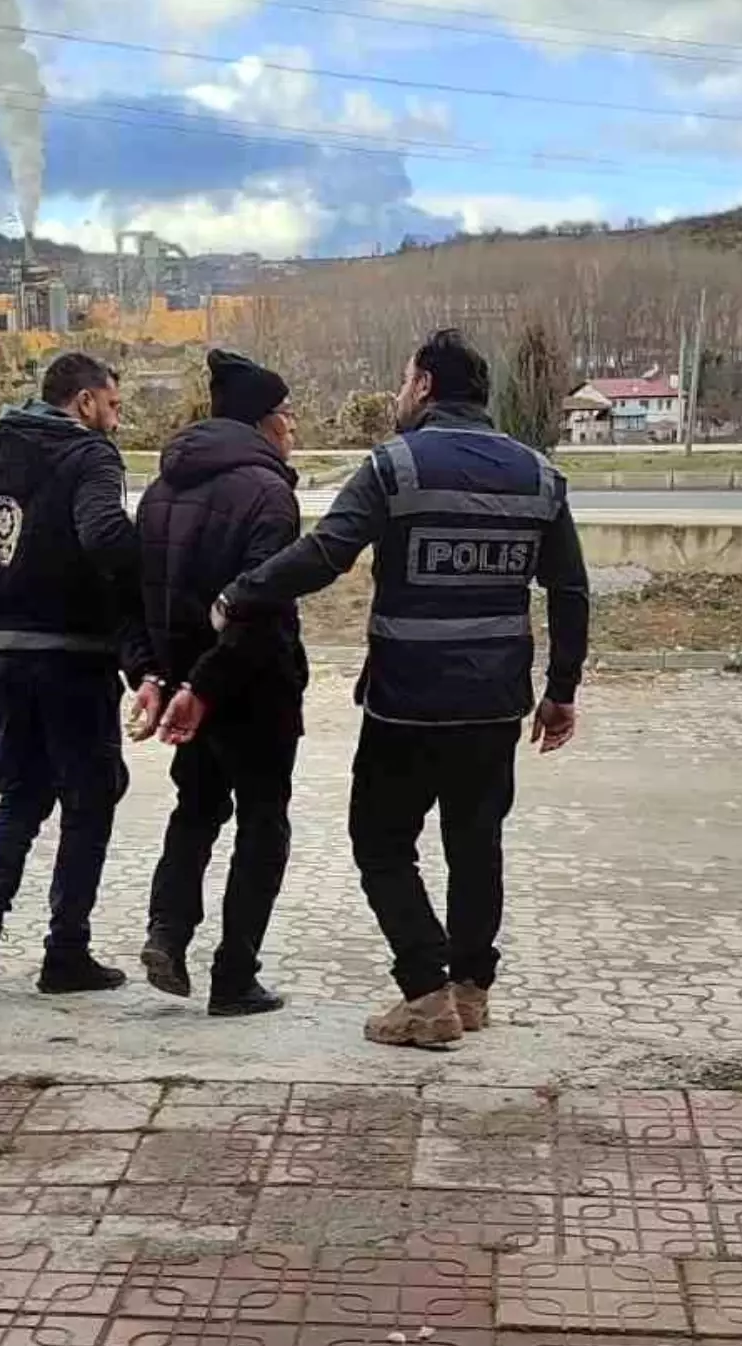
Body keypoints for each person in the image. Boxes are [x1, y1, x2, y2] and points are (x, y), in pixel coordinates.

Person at [212, 326, 590, 1051]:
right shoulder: (539, 475)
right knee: (476, 844)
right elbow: (569, 589)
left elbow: (327, 552)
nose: (398, 393)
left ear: (425, 386)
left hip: (407, 702)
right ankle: (471, 990)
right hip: (494, 702)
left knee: (381, 842)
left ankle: (426, 993)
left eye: (403, 379)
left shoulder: (395, 465)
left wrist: (242, 593)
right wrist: (562, 688)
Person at [0, 351, 161, 995]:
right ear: (84, 401)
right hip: (74, 657)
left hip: (4, 653)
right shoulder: (91, 456)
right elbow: (105, 537)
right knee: (89, 800)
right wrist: (158, 572)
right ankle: (65, 952)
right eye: (112, 405)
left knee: (21, 793)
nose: (116, 418)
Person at [137, 348, 306, 1018]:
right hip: (254, 687)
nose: (294, 426)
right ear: (263, 421)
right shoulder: (269, 494)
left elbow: (143, 594)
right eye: (287, 414)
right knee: (263, 824)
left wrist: (164, 676)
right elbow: (259, 608)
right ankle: (235, 975)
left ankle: (166, 933)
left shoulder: (160, 490)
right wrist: (207, 684)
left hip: (186, 688)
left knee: (197, 809)